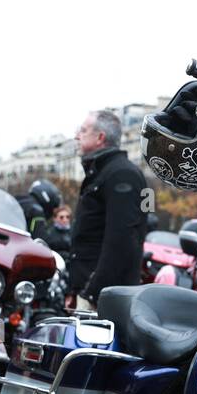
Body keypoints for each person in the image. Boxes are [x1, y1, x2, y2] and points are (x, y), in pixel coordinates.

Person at [68, 109, 148, 311]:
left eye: (83, 130)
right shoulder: (109, 172)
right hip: (94, 290)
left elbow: (122, 239)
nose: (77, 136)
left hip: (101, 297)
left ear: (100, 137)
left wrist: (93, 292)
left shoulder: (120, 174)